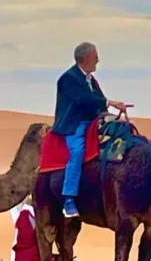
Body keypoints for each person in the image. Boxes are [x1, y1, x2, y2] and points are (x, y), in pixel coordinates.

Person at [53, 42, 128, 218]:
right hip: (74, 124)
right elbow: (81, 100)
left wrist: (113, 115)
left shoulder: (90, 80)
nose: (98, 60)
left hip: (93, 122)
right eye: (95, 57)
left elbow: (98, 99)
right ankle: (69, 199)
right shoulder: (68, 79)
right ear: (86, 58)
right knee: (77, 152)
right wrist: (109, 103)